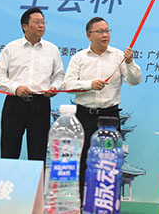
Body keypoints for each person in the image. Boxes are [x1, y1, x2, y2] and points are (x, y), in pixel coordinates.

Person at [63, 17, 142, 196]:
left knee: (109, 161)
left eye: (107, 31)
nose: (105, 35)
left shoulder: (119, 56)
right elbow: (67, 85)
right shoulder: (79, 57)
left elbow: (134, 81)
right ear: (89, 35)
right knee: (82, 159)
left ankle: (105, 201)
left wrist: (130, 62)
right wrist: (89, 85)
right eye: (100, 31)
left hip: (109, 117)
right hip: (84, 115)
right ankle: (81, 200)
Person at [0, 7, 64, 161]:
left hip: (41, 104)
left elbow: (59, 76)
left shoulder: (52, 49)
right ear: (25, 26)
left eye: (43, 22)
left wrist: (54, 88)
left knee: (38, 153)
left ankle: (37, 179)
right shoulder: (11, 48)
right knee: (9, 151)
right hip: (15, 103)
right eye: (37, 22)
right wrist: (15, 88)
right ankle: (8, 178)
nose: (41, 26)